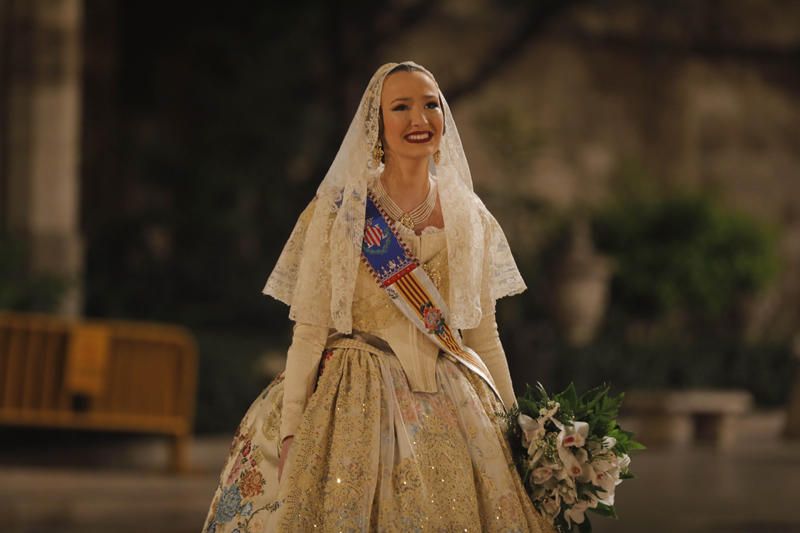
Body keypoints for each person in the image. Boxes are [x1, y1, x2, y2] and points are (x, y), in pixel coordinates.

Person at [202, 61, 554, 533]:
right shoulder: (342, 212)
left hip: (454, 402)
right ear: (377, 122)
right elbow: (309, 331)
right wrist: (290, 432)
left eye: (430, 104)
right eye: (401, 107)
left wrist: (517, 431)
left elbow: (484, 335)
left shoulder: (470, 215)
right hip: (354, 398)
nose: (419, 119)